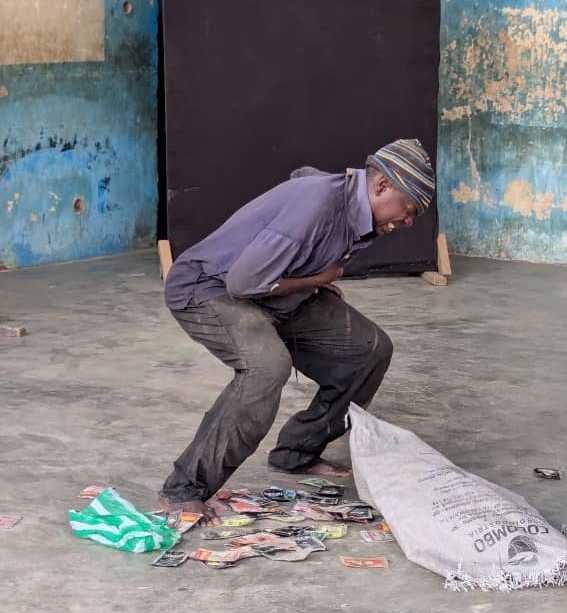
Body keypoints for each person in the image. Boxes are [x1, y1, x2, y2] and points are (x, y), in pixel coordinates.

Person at [159, 139, 435, 524]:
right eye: (408, 209)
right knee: (267, 367)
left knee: (370, 349)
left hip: (274, 292)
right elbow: (243, 281)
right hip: (209, 288)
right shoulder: (318, 203)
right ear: (383, 186)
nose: (408, 221)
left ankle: (297, 451)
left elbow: (302, 174)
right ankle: (185, 489)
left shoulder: (356, 206)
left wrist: (311, 278)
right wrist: (316, 277)